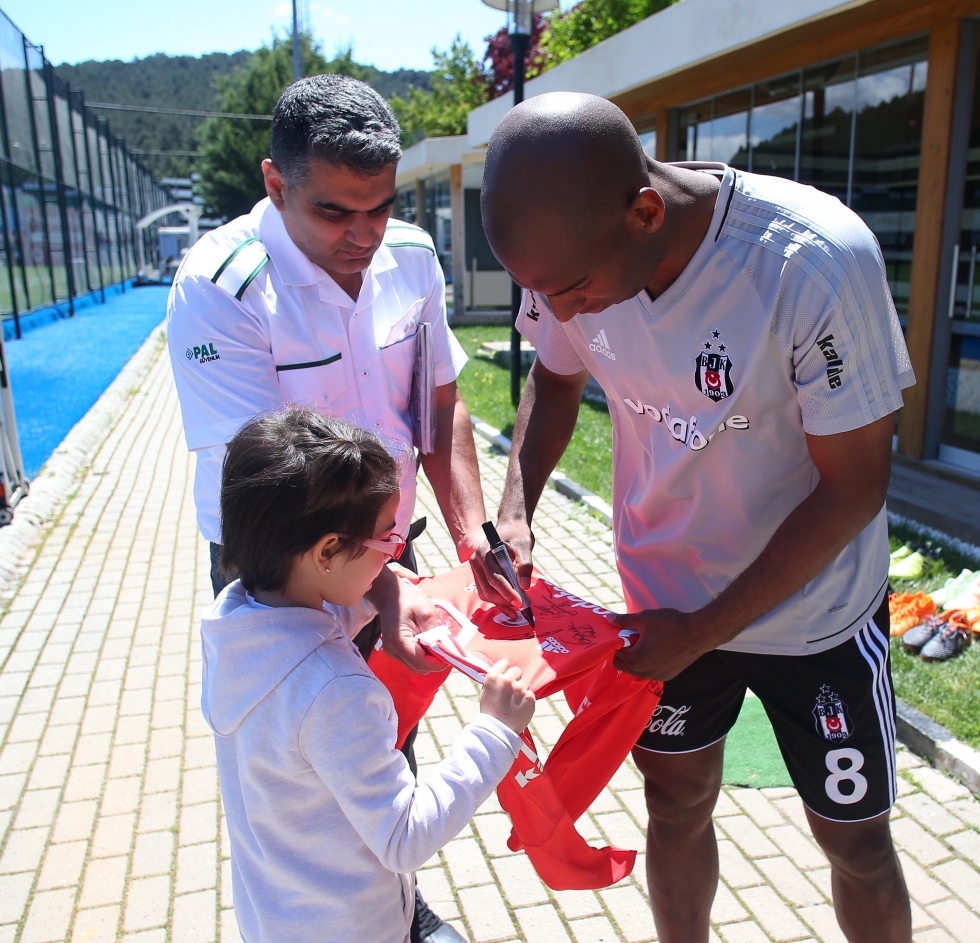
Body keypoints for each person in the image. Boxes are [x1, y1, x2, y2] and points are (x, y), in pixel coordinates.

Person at [473, 92, 914, 943]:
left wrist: (703, 628)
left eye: (572, 291)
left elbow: (854, 488)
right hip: (662, 600)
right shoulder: (568, 259)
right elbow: (555, 380)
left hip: (813, 616)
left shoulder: (812, 262)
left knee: (854, 839)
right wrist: (516, 510)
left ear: (644, 212)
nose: (560, 316)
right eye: (539, 295)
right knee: (674, 802)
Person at [168, 74, 487, 942]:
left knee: (377, 737)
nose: (364, 235)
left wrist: (475, 536)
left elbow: (441, 400)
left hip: (375, 545)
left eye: (380, 208)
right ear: (276, 184)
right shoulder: (221, 287)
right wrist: (381, 590)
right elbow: (272, 486)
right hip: (284, 550)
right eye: (336, 213)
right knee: (299, 764)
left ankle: (395, 903)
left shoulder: (412, 256)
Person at [204, 408, 535, 943]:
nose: (395, 555)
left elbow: (313, 608)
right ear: (328, 551)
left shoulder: (233, 623)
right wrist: (495, 731)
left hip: (274, 916)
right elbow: (404, 836)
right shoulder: (335, 693)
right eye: (388, 543)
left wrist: (381, 592)